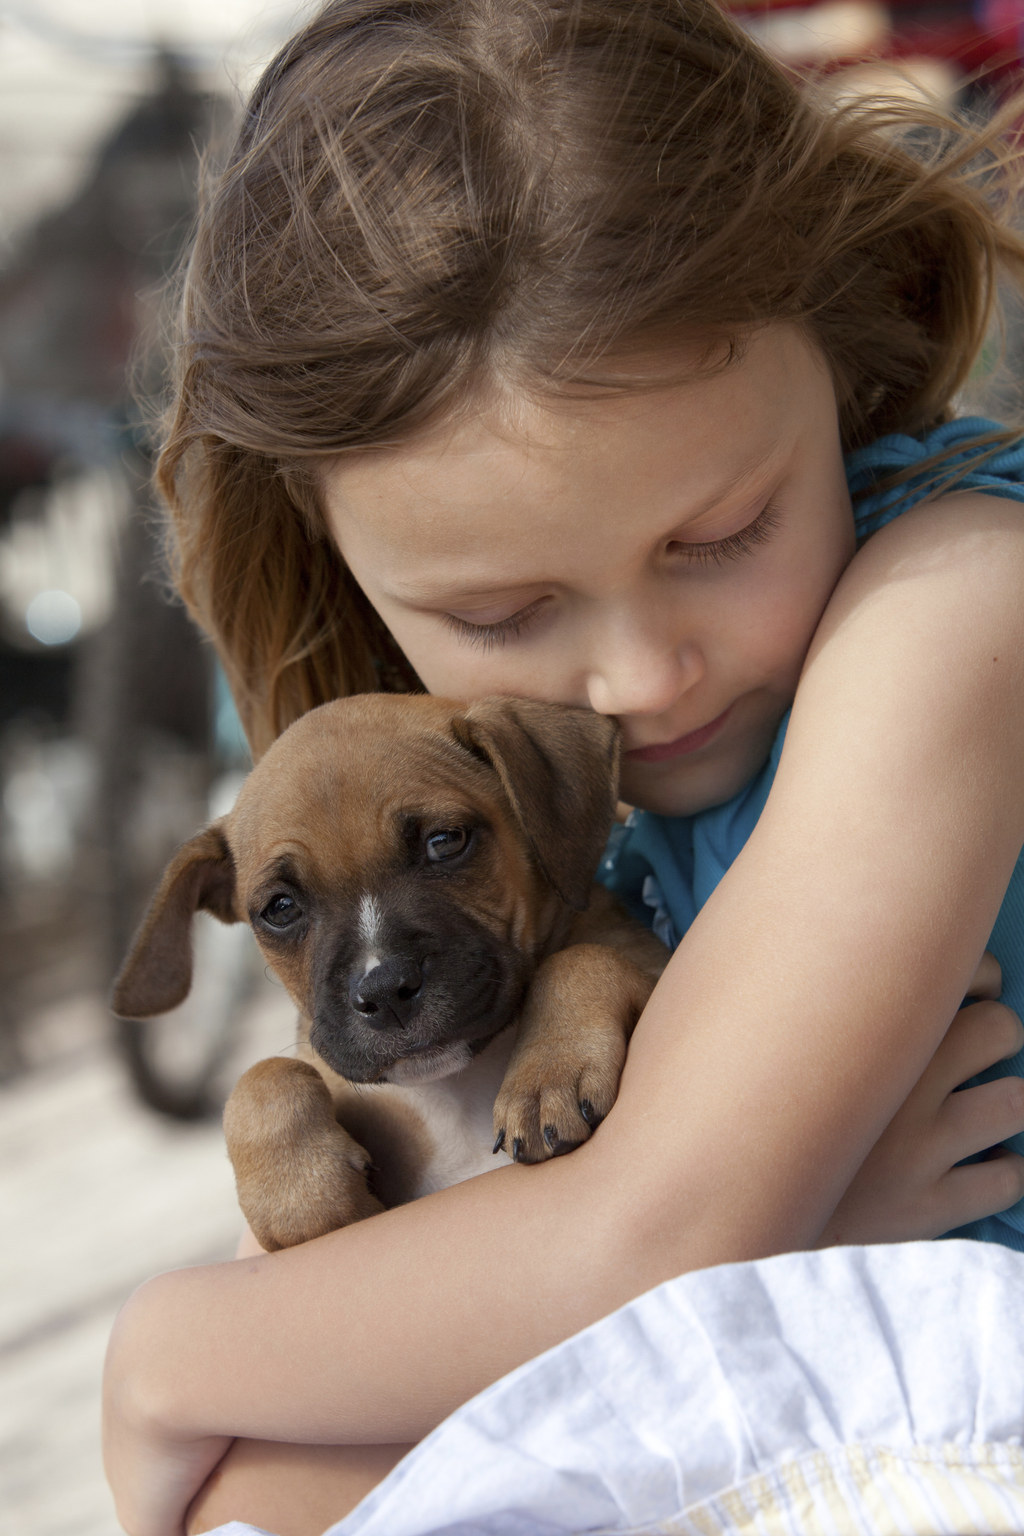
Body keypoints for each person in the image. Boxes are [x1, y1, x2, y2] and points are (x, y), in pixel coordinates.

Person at [103, 1, 1024, 1532]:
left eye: (721, 534)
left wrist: (161, 1348)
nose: (642, 677)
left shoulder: (959, 601)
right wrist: (795, 1226)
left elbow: (657, 1237)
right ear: (332, 556)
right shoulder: (481, 790)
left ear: (838, 335)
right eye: (503, 613)